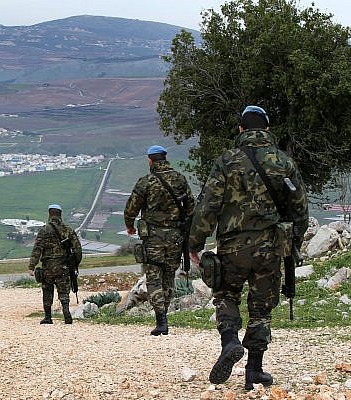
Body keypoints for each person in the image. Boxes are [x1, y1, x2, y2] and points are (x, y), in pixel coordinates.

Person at [188, 106, 308, 390]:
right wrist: (296, 241)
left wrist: (195, 243)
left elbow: (208, 205)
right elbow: (300, 207)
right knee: (261, 308)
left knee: (226, 295)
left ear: (241, 130)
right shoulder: (283, 162)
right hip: (270, 247)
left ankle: (229, 341)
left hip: (232, 246)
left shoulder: (227, 161)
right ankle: (254, 371)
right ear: (267, 129)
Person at [124, 145, 194, 336]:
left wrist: (130, 226)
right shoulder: (180, 179)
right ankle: (165, 315)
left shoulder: (146, 182)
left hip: (153, 237)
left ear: (150, 160)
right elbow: (191, 207)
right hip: (175, 237)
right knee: (169, 275)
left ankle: (161, 319)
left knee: (154, 276)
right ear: (165, 158)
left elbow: (131, 208)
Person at [28, 204, 82, 324]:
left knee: (47, 290)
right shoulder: (68, 230)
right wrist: (74, 264)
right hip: (63, 267)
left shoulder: (44, 230)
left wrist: (32, 266)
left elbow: (37, 249)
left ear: (49, 214)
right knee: (64, 291)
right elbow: (78, 249)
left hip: (47, 267)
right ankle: (66, 312)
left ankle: (48, 317)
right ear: (60, 214)